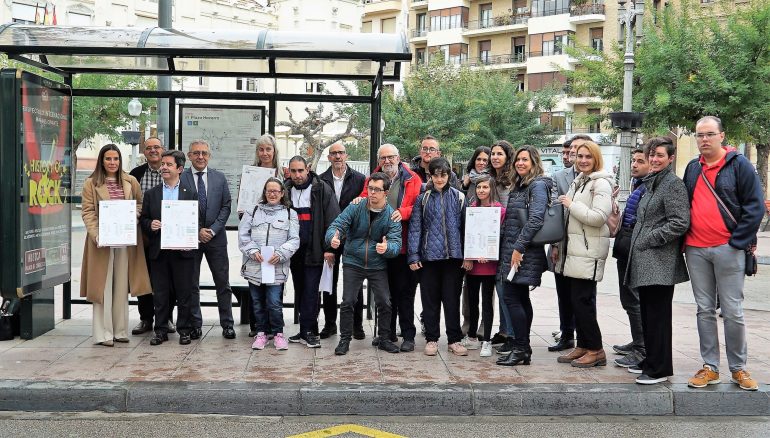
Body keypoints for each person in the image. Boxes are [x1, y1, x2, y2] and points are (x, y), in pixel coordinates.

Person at [682, 116, 764, 391]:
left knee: (733, 311)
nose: (704, 139)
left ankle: (739, 368)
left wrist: (737, 242)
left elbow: (755, 207)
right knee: (704, 309)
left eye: (709, 134)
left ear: (721, 136)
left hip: (728, 248)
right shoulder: (693, 167)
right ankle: (710, 367)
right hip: (696, 249)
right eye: (699, 135)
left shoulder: (740, 165)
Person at [624, 137, 690, 384]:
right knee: (648, 313)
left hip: (660, 261)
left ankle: (659, 368)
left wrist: (649, 238)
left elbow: (680, 222)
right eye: (652, 154)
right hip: (647, 260)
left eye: (660, 155)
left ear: (671, 158)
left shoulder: (672, 185)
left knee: (658, 315)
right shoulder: (652, 182)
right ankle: (651, 359)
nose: (654, 159)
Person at [80, 144, 151, 346]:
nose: (113, 163)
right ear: (101, 161)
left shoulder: (131, 181)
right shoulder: (91, 183)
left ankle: (119, 330)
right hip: (101, 242)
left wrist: (130, 216)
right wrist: (96, 235)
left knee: (121, 285)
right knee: (102, 286)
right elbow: (88, 212)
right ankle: (103, 333)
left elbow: (139, 204)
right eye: (108, 159)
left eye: (116, 159)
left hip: (125, 240)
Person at [326, 172, 403, 355]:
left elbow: (396, 243)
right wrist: (333, 237)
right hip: (353, 260)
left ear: (386, 192)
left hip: (377, 264)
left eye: (377, 190)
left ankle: (384, 339)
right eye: (370, 188)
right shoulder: (356, 206)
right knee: (348, 301)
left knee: (385, 301)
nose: (372, 193)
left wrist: (388, 248)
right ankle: (344, 340)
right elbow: (336, 225)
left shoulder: (391, 215)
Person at [553, 140, 613, 368]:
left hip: (588, 252)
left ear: (596, 158)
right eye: (579, 156)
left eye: (588, 156)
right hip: (574, 251)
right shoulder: (580, 182)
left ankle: (596, 350)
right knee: (576, 302)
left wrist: (570, 205)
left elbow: (598, 217)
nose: (583, 160)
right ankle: (583, 345)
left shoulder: (601, 184)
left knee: (583, 302)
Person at [358, 144, 422, 352]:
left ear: (398, 158)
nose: (387, 161)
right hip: (380, 245)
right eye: (383, 158)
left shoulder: (412, 178)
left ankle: (408, 336)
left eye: (391, 157)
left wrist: (404, 212)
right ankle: (387, 333)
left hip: (404, 245)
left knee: (404, 293)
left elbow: (421, 206)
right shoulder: (372, 179)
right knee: (384, 294)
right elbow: (364, 200)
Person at [495, 146, 551, 366]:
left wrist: (518, 249)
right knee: (520, 298)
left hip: (522, 251)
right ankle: (523, 348)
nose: (520, 163)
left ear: (534, 162)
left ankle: (520, 348)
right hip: (515, 248)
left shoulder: (537, 185)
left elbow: (536, 219)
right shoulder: (522, 184)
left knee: (511, 298)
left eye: (525, 160)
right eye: (518, 159)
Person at [140, 150, 200, 346]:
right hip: (159, 251)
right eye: (163, 164)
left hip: (183, 252)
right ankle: (161, 330)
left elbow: (195, 221)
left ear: (180, 169)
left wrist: (190, 236)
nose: (164, 167)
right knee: (161, 293)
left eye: (168, 164)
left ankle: (184, 330)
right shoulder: (151, 194)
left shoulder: (190, 194)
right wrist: (151, 225)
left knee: (184, 293)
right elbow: (144, 220)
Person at [408, 157, 467, 357]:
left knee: (452, 300)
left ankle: (454, 339)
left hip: (453, 257)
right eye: (436, 175)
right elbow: (415, 229)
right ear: (430, 176)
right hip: (429, 258)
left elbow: (465, 228)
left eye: (443, 175)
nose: (440, 179)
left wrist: (467, 256)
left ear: (449, 174)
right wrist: (414, 255)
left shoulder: (459, 197)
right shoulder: (422, 199)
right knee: (430, 300)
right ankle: (432, 339)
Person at [181, 140, 235, 339]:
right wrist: (196, 231)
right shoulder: (181, 178)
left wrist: (211, 230)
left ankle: (227, 324)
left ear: (209, 156)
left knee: (223, 284)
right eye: (196, 153)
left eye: (204, 153)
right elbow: (178, 208)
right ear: (189, 156)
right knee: (191, 284)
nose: (200, 156)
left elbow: (226, 206)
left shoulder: (219, 178)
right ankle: (196, 325)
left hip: (216, 239)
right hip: (191, 239)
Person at [285, 156, 340, 348]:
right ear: (289, 171)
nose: (297, 175)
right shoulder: (286, 189)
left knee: (311, 291)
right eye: (293, 171)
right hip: (293, 252)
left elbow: (334, 220)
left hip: (315, 249)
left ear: (307, 169)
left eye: (300, 170)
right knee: (300, 290)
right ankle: (307, 329)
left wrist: (329, 249)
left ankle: (309, 331)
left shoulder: (321, 188)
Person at [239, 177, 299, 351]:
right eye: (269, 191)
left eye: (276, 191)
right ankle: (261, 334)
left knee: (274, 302)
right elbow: (243, 236)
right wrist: (252, 251)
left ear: (282, 194)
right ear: (264, 193)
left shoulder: (290, 214)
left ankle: (278, 334)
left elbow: (294, 239)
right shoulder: (252, 211)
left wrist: (280, 254)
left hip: (276, 267)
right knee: (257, 302)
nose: (272, 194)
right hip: (254, 266)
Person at [318, 142, 367, 340]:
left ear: (346, 156)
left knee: (355, 284)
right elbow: (320, 215)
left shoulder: (360, 179)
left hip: (353, 239)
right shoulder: (320, 181)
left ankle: (357, 325)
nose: (337, 156)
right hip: (331, 240)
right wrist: (327, 245)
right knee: (329, 284)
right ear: (328, 157)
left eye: (341, 153)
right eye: (333, 154)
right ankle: (330, 324)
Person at [547, 136, 590, 352]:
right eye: (572, 149)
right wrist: (554, 244)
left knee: (583, 296)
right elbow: (555, 209)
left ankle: (586, 340)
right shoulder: (559, 176)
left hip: (585, 244)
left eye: (579, 150)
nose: (573, 153)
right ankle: (566, 334)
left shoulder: (598, 178)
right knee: (563, 292)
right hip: (562, 243)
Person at [129, 137, 174, 336]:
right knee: (144, 277)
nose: (153, 151)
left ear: (163, 150)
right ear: (144, 152)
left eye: (157, 147)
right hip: (144, 236)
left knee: (169, 280)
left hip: (171, 235)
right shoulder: (135, 175)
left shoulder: (172, 171)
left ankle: (167, 318)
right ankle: (146, 318)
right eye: (149, 148)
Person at [611, 148, 650, 368]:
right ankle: (638, 341)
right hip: (625, 248)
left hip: (636, 250)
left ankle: (641, 349)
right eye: (633, 160)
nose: (634, 165)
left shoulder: (647, 187)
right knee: (629, 300)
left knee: (634, 300)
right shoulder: (638, 185)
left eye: (639, 161)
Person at [461, 174, 505, 357]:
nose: (481, 191)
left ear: (492, 189)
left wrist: (489, 253)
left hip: (489, 264)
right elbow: (466, 235)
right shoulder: (471, 209)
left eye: (485, 187)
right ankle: (471, 337)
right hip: (472, 265)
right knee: (472, 301)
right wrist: (468, 257)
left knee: (487, 302)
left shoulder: (500, 210)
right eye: (479, 187)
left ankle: (486, 340)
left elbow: (500, 236)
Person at [459, 146, 492, 344]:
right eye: (478, 159)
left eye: (485, 160)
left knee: (488, 295)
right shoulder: (467, 180)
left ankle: (483, 328)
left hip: (487, 253)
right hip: (470, 246)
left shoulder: (491, 182)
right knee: (469, 290)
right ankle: (469, 323)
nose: (481, 163)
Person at [488, 140, 515, 350]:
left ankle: (512, 334)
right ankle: (505, 330)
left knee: (506, 287)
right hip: (492, 238)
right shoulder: (490, 179)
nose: (495, 157)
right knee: (500, 287)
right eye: (493, 154)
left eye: (499, 154)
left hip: (508, 238)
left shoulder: (512, 180)